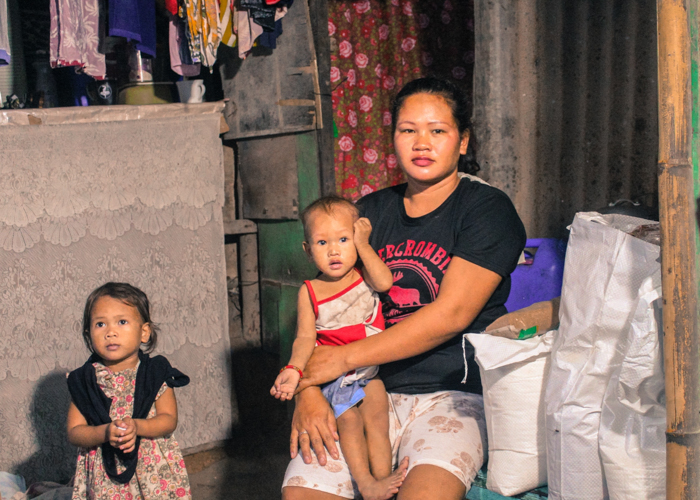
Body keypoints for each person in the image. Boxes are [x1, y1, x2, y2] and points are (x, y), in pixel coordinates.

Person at [281, 76, 527, 500]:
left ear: (463, 141)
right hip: (360, 391)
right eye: (407, 130)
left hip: (451, 394)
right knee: (303, 493)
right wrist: (306, 392)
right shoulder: (369, 212)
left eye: (438, 130)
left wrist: (342, 358)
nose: (421, 143)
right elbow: (324, 308)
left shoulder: (486, 210)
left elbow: (451, 315)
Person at [270, 195, 409, 500]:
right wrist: (294, 370)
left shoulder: (364, 275)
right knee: (348, 421)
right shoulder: (310, 291)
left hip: (369, 371)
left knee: (377, 417)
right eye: (322, 243)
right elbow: (305, 338)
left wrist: (364, 244)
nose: (334, 250)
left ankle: (383, 481)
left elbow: (385, 283)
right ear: (308, 250)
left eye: (344, 239)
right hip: (337, 377)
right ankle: (366, 484)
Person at [66, 282, 192, 500]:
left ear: (144, 332)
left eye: (122, 322)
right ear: (88, 334)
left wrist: (137, 426)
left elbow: (169, 419)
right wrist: (104, 432)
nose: (110, 332)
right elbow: (74, 431)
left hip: (153, 473)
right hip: (105, 479)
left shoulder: (154, 374)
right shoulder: (85, 380)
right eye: (100, 324)